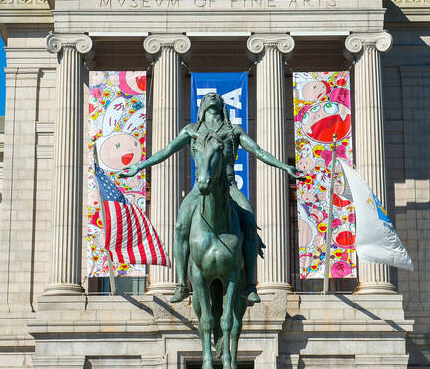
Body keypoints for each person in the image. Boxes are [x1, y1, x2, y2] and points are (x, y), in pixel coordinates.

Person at [119, 92, 303, 304]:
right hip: (200, 187)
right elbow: (167, 150)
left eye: (216, 97)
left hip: (229, 184)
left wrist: (284, 166)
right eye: (208, 97)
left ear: (223, 106)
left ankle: (250, 285)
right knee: (180, 226)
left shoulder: (233, 131)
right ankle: (180, 284)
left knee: (250, 222)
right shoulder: (192, 131)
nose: (213, 96)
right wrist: (139, 166)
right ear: (202, 106)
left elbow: (258, 151)